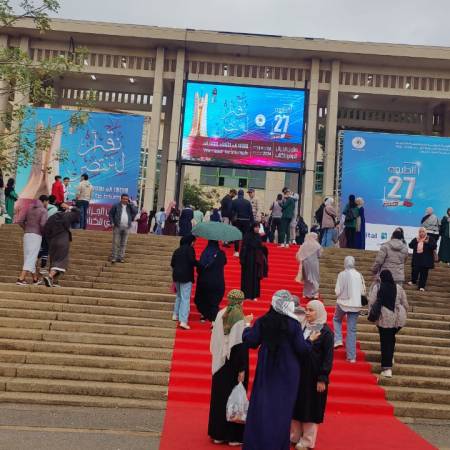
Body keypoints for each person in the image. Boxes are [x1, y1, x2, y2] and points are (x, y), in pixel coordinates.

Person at [242, 290, 317, 450]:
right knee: (282, 409)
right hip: (288, 372)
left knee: (261, 406)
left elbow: (251, 341)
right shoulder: (293, 324)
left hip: (266, 369)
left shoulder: (263, 321)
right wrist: (310, 341)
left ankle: (257, 444)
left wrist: (247, 327)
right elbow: (302, 349)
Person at [209, 290, 251, 445]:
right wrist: (242, 369)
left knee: (220, 399)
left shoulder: (221, 313)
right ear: (241, 302)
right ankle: (233, 437)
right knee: (233, 400)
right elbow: (239, 346)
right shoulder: (239, 317)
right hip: (233, 366)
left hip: (221, 363)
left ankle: (218, 434)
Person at [292, 300, 334, 450]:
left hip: (314, 376)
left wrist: (322, 377)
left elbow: (328, 357)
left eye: (311, 310)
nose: (307, 313)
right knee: (297, 404)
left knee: (310, 407)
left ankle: (307, 440)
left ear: (319, 312)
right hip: (299, 374)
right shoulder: (302, 327)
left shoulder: (326, 332)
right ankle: (294, 435)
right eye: (307, 309)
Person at [368, 269, 408, 378]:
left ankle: (387, 368)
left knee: (385, 341)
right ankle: (390, 357)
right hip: (398, 319)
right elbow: (405, 303)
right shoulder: (399, 288)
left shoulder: (378, 287)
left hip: (384, 318)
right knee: (391, 339)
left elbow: (371, 301)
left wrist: (372, 313)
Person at [333, 256, 365, 362]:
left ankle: (338, 339)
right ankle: (351, 357)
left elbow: (337, 291)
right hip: (356, 305)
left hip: (343, 303)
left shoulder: (342, 274)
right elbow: (363, 291)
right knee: (352, 330)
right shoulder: (359, 275)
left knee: (336, 319)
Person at [43, 207, 80, 288]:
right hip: (63, 240)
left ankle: (55, 282)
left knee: (54, 261)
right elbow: (77, 213)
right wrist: (71, 207)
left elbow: (45, 230)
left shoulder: (51, 218)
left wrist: (49, 241)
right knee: (62, 261)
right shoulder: (67, 215)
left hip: (52, 241)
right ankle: (49, 277)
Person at [16, 195, 49, 286]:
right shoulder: (43, 210)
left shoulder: (28, 208)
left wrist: (26, 229)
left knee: (29, 256)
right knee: (31, 257)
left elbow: (19, 221)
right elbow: (43, 224)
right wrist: (44, 233)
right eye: (47, 202)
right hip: (36, 235)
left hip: (27, 234)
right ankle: (21, 278)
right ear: (45, 201)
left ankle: (35, 279)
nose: (47, 204)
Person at [194, 240, 227, 323]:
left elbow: (201, 266)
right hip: (218, 280)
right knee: (214, 300)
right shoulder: (221, 253)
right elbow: (224, 262)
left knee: (204, 297)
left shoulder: (205, 252)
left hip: (205, 280)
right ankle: (213, 320)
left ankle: (204, 315)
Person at [171, 234, 197, 330]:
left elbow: (172, 263)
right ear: (190, 241)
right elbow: (192, 261)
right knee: (185, 298)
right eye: (194, 241)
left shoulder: (177, 250)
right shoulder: (190, 249)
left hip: (176, 276)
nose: (194, 243)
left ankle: (175, 314)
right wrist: (199, 264)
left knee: (178, 295)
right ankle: (183, 321)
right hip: (186, 276)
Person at [240, 222, 268, 301]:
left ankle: (254, 295)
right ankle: (246, 295)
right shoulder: (247, 236)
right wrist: (242, 259)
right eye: (255, 227)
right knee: (247, 277)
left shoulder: (258, 236)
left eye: (258, 227)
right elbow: (243, 248)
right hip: (248, 260)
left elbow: (260, 247)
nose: (257, 228)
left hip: (256, 260)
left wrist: (263, 248)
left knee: (255, 277)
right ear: (252, 227)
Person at [108, 194, 138, 263]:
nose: (125, 200)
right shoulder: (116, 205)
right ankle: (114, 257)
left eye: (126, 199)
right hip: (117, 226)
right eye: (124, 198)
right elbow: (110, 214)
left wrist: (130, 204)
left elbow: (135, 211)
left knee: (123, 243)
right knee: (116, 243)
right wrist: (112, 222)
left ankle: (121, 257)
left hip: (126, 227)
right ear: (121, 199)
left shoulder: (129, 206)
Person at [408, 227, 437, 291]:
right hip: (417, 259)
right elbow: (410, 245)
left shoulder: (430, 238)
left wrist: (427, 242)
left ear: (425, 232)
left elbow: (434, 246)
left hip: (425, 260)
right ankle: (413, 281)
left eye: (423, 231)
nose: (421, 233)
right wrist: (416, 241)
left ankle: (421, 286)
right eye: (420, 232)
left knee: (424, 274)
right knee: (414, 270)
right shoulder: (416, 238)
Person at [296, 233, 322, 300]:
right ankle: (315, 293)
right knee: (315, 278)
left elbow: (298, 255)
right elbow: (320, 254)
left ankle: (306, 293)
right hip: (314, 264)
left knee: (307, 279)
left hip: (305, 264)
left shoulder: (304, 245)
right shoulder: (317, 245)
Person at [231, 189, 253, 256]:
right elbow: (250, 213)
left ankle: (237, 251)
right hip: (246, 221)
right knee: (245, 236)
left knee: (237, 236)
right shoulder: (247, 202)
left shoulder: (234, 201)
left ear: (238, 194)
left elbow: (231, 212)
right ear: (243, 194)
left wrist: (232, 221)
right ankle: (244, 250)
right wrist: (252, 222)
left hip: (237, 221)